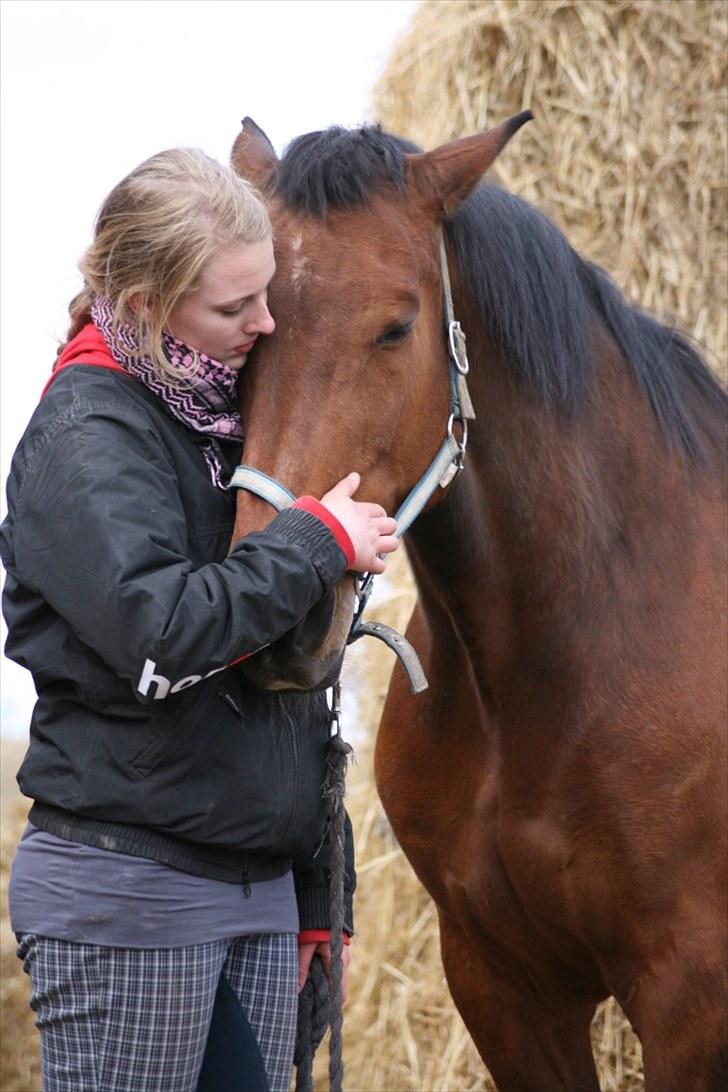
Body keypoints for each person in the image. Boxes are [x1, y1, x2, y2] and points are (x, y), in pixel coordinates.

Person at [1, 147, 398, 1092]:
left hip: (256, 892)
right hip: (131, 896)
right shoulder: (86, 436)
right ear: (142, 304)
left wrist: (316, 893)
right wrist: (314, 541)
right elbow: (165, 636)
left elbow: (290, 687)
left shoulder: (231, 427)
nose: (264, 326)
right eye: (234, 309)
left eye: (267, 298)